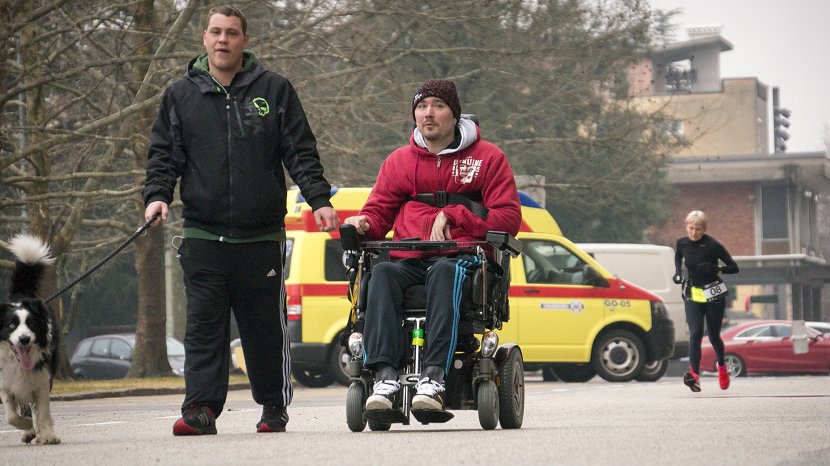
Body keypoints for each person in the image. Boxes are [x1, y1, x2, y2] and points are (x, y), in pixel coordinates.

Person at [142, 5, 339, 435]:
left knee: (264, 329)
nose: (223, 40)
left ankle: (273, 406)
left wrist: (319, 200)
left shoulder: (275, 90)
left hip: (260, 237)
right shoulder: (180, 95)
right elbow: (164, 156)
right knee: (203, 329)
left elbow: (300, 151)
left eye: (232, 33)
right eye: (216, 32)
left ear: (245, 41)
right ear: (204, 38)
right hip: (202, 234)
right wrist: (157, 196)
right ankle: (200, 409)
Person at [343, 79, 522, 413]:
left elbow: (509, 218)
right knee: (381, 275)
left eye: (438, 106)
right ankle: (384, 377)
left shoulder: (487, 158)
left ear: (454, 115)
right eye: (422, 107)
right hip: (409, 257)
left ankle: (434, 377)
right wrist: (363, 223)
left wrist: (456, 215)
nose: (429, 113)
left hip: (462, 257)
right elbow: (378, 214)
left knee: (444, 272)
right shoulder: (399, 161)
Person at [673, 210, 738, 392]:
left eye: (698, 229)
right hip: (693, 293)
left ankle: (722, 368)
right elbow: (678, 256)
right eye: (691, 228)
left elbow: (734, 267)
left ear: (704, 229)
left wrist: (716, 268)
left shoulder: (712, 245)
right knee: (695, 333)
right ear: (686, 226)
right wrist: (677, 272)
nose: (694, 233)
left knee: (713, 335)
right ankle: (694, 376)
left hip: (713, 293)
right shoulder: (682, 243)